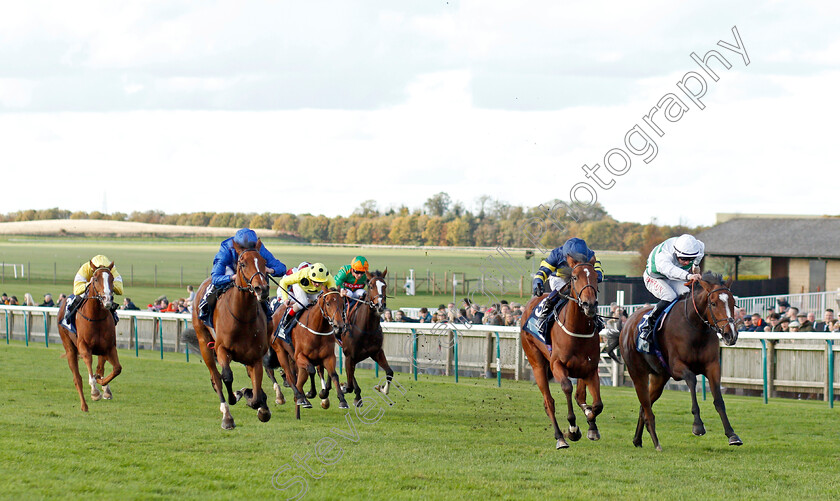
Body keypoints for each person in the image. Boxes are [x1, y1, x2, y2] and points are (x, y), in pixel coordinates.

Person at [197, 228, 286, 328]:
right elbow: (216, 278)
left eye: (252, 248)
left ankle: (267, 315)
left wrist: (270, 270)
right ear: (237, 247)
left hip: (251, 274)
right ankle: (205, 309)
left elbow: (282, 268)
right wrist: (232, 277)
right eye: (244, 249)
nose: (249, 251)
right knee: (216, 285)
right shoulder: (226, 248)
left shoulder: (258, 248)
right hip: (231, 271)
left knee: (261, 280)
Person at [637, 234, 704, 353]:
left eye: (690, 259)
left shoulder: (698, 247)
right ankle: (648, 326)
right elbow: (670, 270)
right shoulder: (663, 256)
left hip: (674, 277)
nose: (686, 262)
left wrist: (696, 265)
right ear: (676, 253)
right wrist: (689, 275)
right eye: (683, 259)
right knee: (670, 296)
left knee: (688, 295)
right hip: (655, 277)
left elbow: (698, 256)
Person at [531, 237, 604, 337]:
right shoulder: (556, 254)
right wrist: (538, 281)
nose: (576, 262)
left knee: (589, 292)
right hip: (560, 278)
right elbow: (543, 270)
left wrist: (596, 277)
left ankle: (596, 318)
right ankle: (544, 316)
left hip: (580, 278)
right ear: (567, 256)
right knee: (562, 292)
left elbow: (599, 272)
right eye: (574, 260)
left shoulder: (590, 255)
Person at [60, 255, 124, 333]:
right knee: (80, 296)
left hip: (103, 291)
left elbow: (120, 290)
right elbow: (76, 290)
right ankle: (69, 315)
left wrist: (107, 285)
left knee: (108, 298)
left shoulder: (112, 269)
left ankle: (113, 316)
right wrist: (89, 285)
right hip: (87, 288)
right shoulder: (85, 268)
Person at [275, 262, 335, 334]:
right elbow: (283, 282)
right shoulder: (302, 274)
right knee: (303, 302)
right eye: (315, 281)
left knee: (321, 303)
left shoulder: (328, 277)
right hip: (300, 286)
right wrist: (285, 299)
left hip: (314, 291)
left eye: (320, 282)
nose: (317, 284)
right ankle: (286, 320)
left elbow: (333, 293)